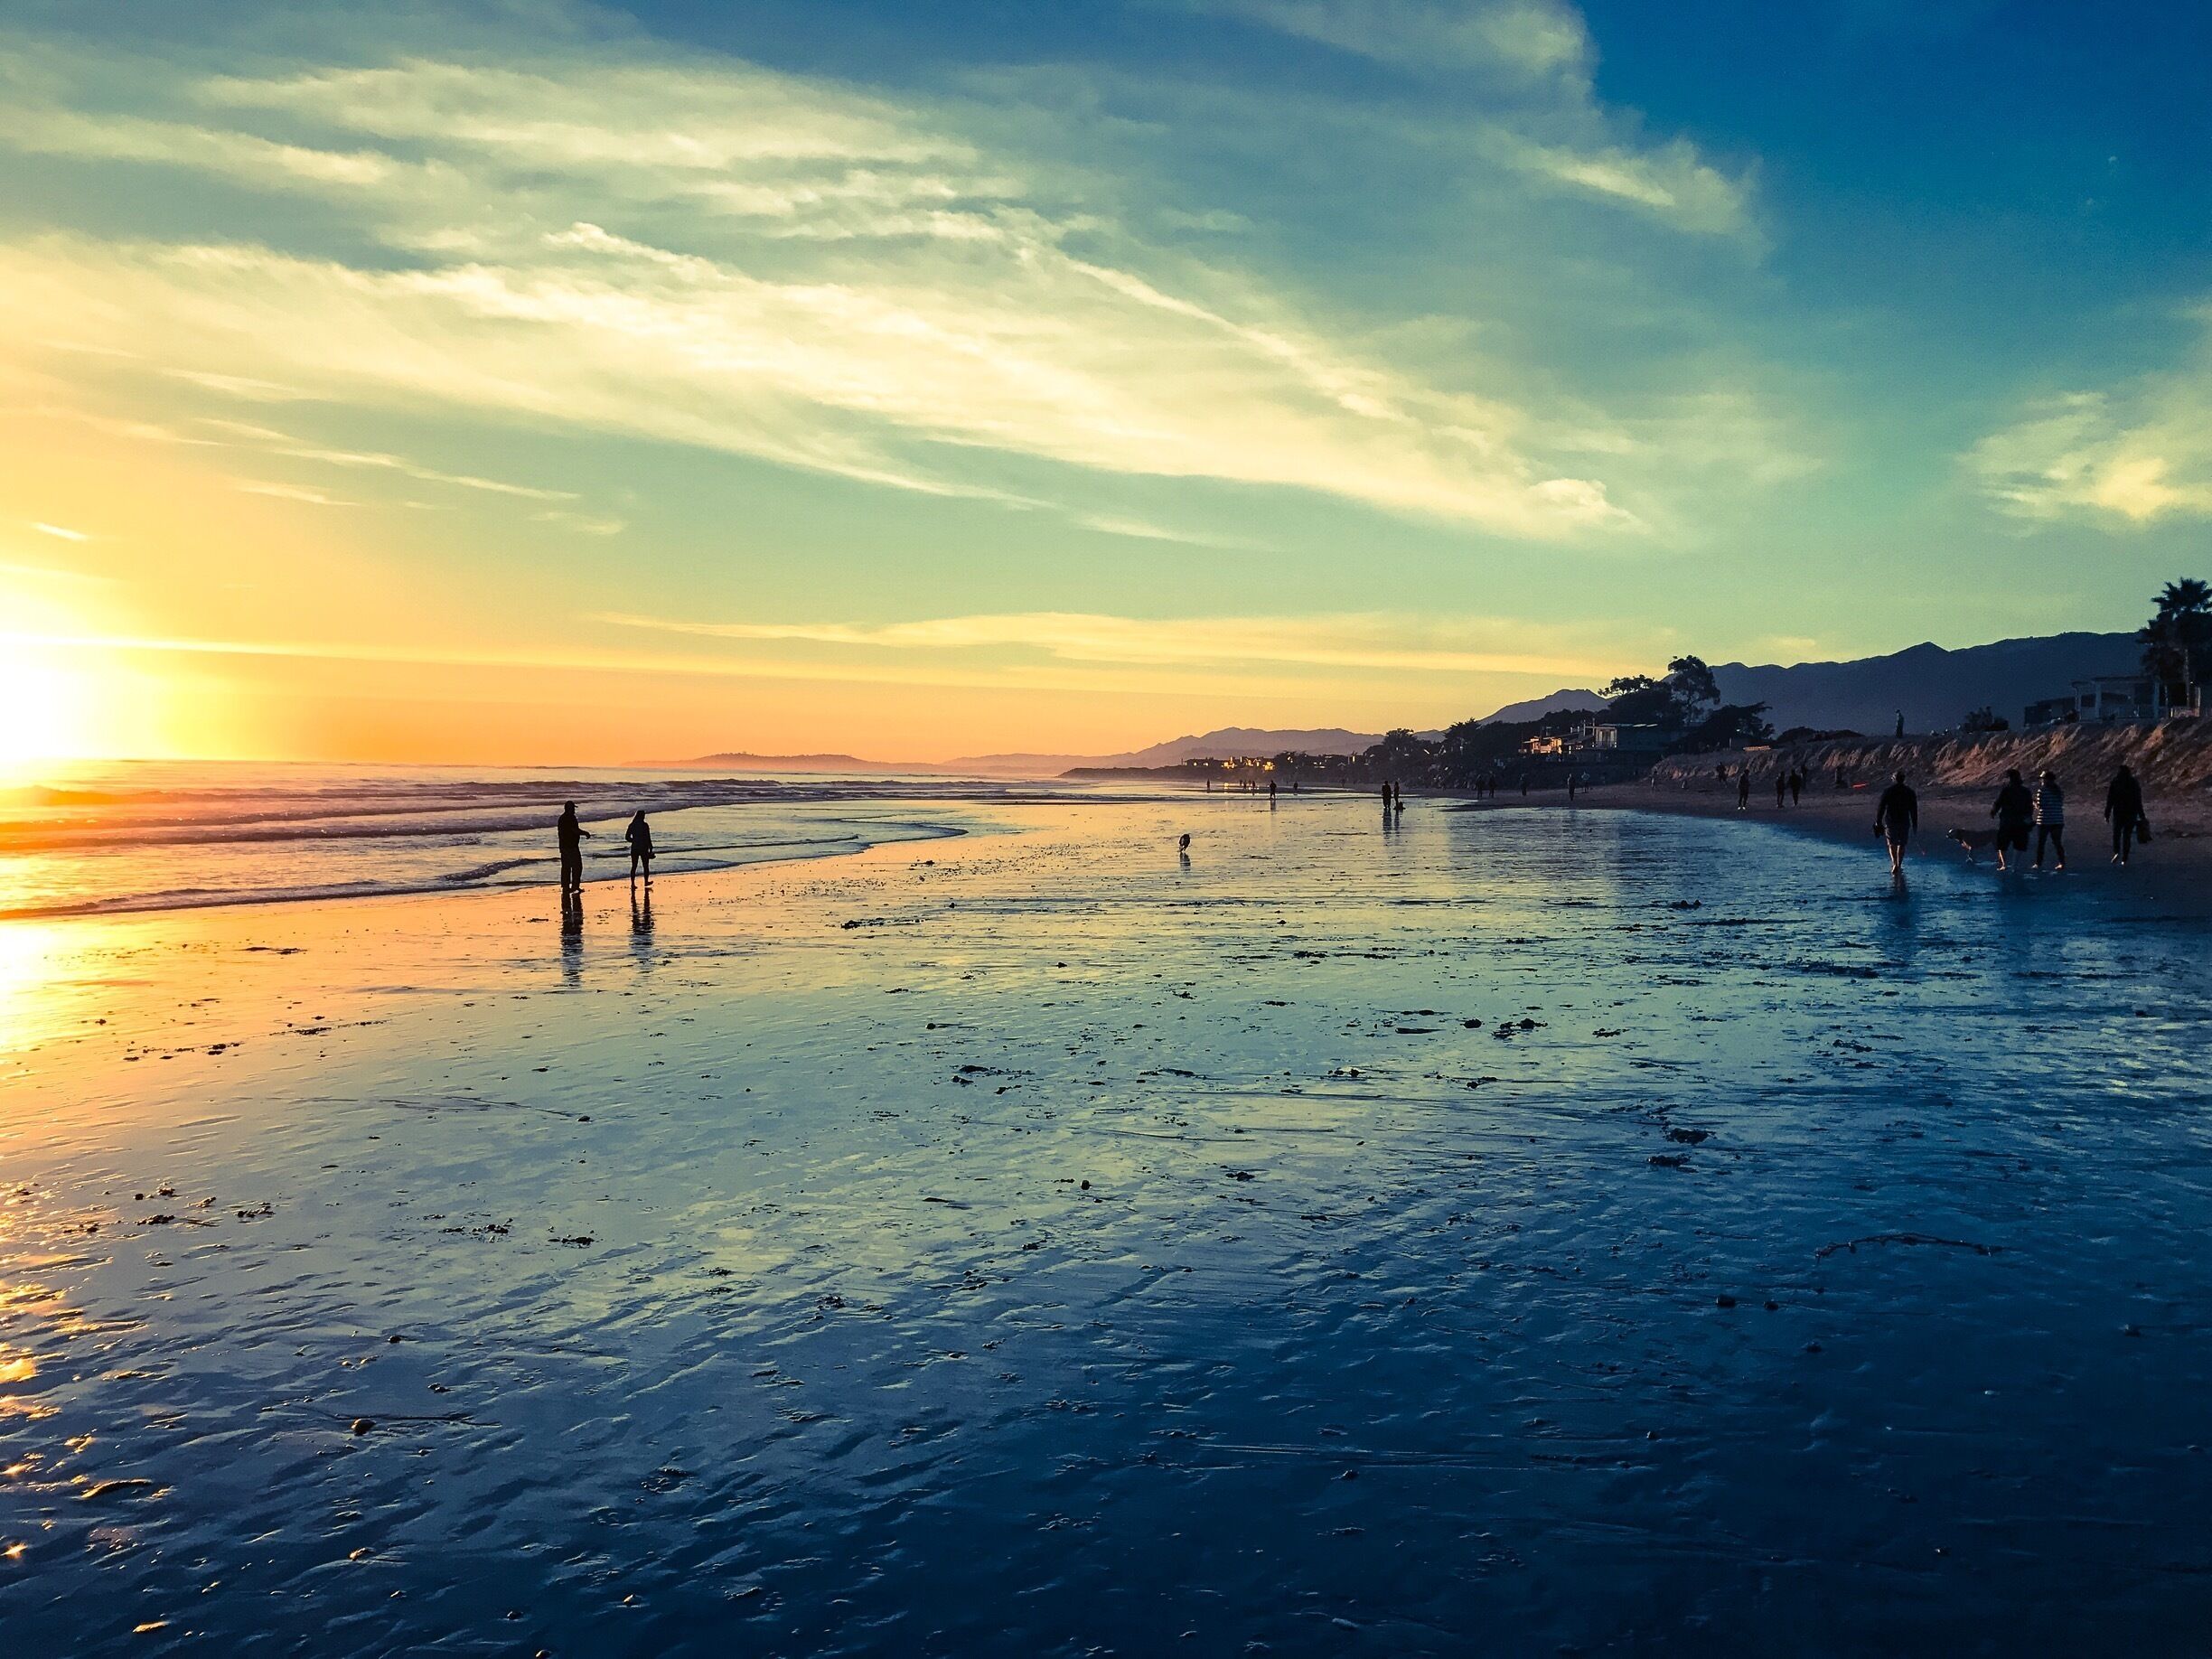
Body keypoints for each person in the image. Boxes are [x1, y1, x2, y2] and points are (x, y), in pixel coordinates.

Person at [1874, 769, 1917, 875]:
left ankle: (1894, 864)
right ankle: (1899, 864)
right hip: (1904, 820)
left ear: (1894, 779)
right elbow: (1914, 809)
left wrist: (1878, 821)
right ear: (1904, 779)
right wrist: (1915, 823)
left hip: (1891, 820)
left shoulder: (1888, 791)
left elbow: (1881, 807)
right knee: (1902, 844)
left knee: (1891, 843)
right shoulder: (1910, 792)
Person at [1989, 768, 2032, 873]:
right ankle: (2014, 866)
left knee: (2002, 844)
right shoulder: (2025, 791)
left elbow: (1998, 802)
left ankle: (2004, 865)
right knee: (2019, 844)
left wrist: (1993, 812)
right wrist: (2028, 817)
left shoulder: (2006, 790)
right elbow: (2029, 806)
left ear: (2009, 779)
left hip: (2007, 821)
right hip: (2020, 821)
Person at [2105, 764, 2146, 866]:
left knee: (2117, 834)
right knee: (2127, 836)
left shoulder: (2115, 782)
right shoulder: (2133, 783)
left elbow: (2110, 799)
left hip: (2118, 812)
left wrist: (2107, 812)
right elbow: (2138, 800)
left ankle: (2116, 851)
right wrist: (2142, 815)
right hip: (2131, 813)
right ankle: (2124, 858)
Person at [2030, 769, 2067, 871]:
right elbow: (2059, 804)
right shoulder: (2059, 791)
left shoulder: (2041, 791)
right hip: (2058, 820)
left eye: (2043, 779)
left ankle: (2038, 863)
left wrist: (2034, 803)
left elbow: (2041, 806)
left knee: (2041, 843)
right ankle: (2062, 862)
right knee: (2057, 843)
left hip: (2044, 820)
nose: (2042, 781)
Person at [556, 801, 591, 892]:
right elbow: (575, 830)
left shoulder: (562, 818)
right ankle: (575, 886)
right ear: (570, 809)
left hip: (564, 846)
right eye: (573, 808)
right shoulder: (570, 818)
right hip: (571, 846)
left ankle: (565, 887)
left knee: (566, 867)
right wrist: (585, 833)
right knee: (577, 866)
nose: (574, 810)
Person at [623, 811, 654, 883]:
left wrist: (634, 840)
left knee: (634, 866)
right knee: (645, 866)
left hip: (635, 847)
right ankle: (646, 881)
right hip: (644, 847)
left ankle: (633, 883)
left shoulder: (632, 825)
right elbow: (647, 837)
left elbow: (627, 837)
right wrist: (651, 846)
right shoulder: (645, 825)